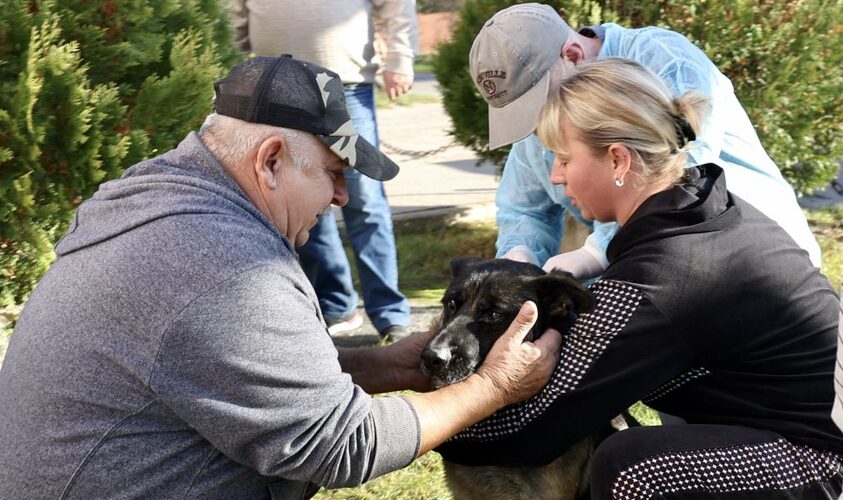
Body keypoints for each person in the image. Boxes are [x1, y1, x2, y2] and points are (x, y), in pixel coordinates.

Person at [0, 56, 563, 499]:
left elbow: (226, 371)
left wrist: (388, 365)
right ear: (270, 161)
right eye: (333, 173)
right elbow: (342, 446)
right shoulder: (226, 265)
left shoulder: (154, 200)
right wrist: (492, 387)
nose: (342, 196)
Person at [435, 58, 843, 498]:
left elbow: (534, 429)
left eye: (564, 158)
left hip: (820, 462)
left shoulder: (668, 268)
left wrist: (408, 423)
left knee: (632, 468)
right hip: (792, 436)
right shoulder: (695, 208)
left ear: (617, 159)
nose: (555, 175)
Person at [469, 3, 822, 280]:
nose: (535, 129)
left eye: (534, 105)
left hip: (758, 263)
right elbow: (524, 207)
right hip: (655, 271)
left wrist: (597, 251)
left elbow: (680, 177)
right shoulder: (547, 108)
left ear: (573, 56)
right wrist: (519, 258)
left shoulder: (664, 59)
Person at [229, 0, 418, 340]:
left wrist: (400, 59)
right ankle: (336, 305)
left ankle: (390, 313)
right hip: (277, 85)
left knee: (364, 201)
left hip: (345, 84)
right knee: (301, 198)